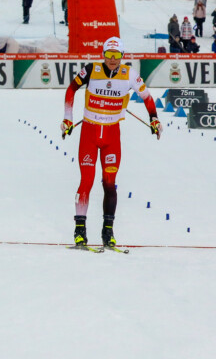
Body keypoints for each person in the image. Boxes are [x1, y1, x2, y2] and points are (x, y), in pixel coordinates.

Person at [61, 37, 161, 249]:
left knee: (109, 184)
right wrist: (68, 118)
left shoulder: (130, 75)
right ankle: (80, 231)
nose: (112, 59)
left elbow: (147, 97)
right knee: (86, 180)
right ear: (103, 54)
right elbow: (71, 90)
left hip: (111, 137)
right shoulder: (91, 69)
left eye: (116, 55)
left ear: (122, 56)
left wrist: (154, 119)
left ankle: (108, 232)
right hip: (89, 133)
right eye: (109, 54)